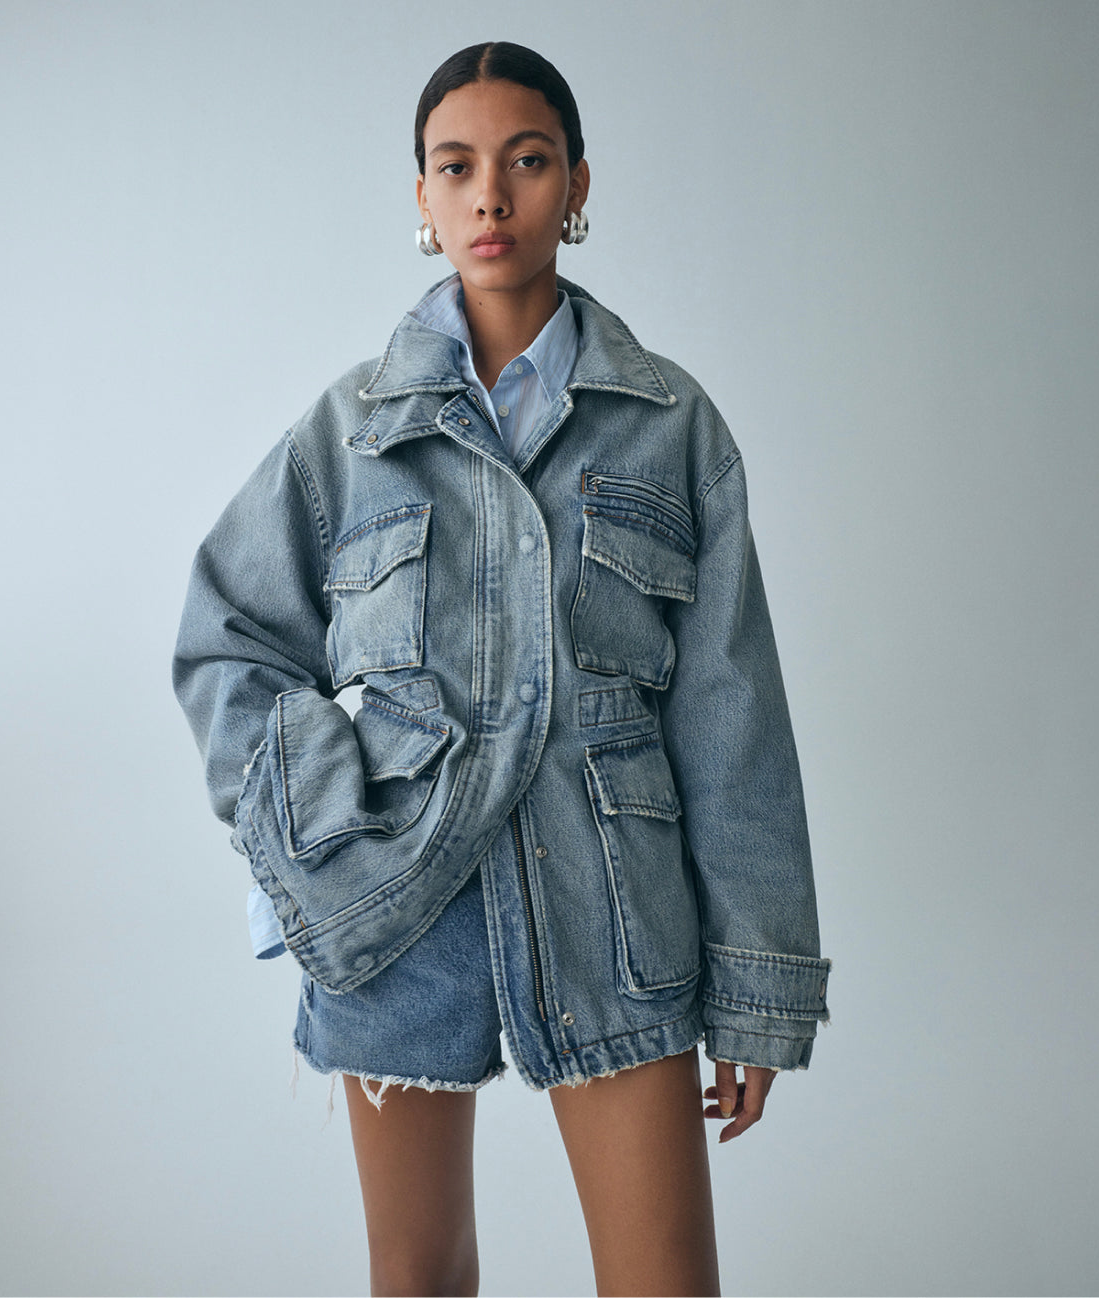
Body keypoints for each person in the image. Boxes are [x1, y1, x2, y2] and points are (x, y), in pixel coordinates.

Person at [173, 40, 831, 1298]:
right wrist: (318, 835)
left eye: (526, 162)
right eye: (455, 166)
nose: (490, 196)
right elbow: (229, 637)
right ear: (421, 198)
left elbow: (731, 717)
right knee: (417, 1276)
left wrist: (757, 986)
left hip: (618, 922)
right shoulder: (352, 431)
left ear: (575, 184)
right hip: (396, 920)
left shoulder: (669, 425)